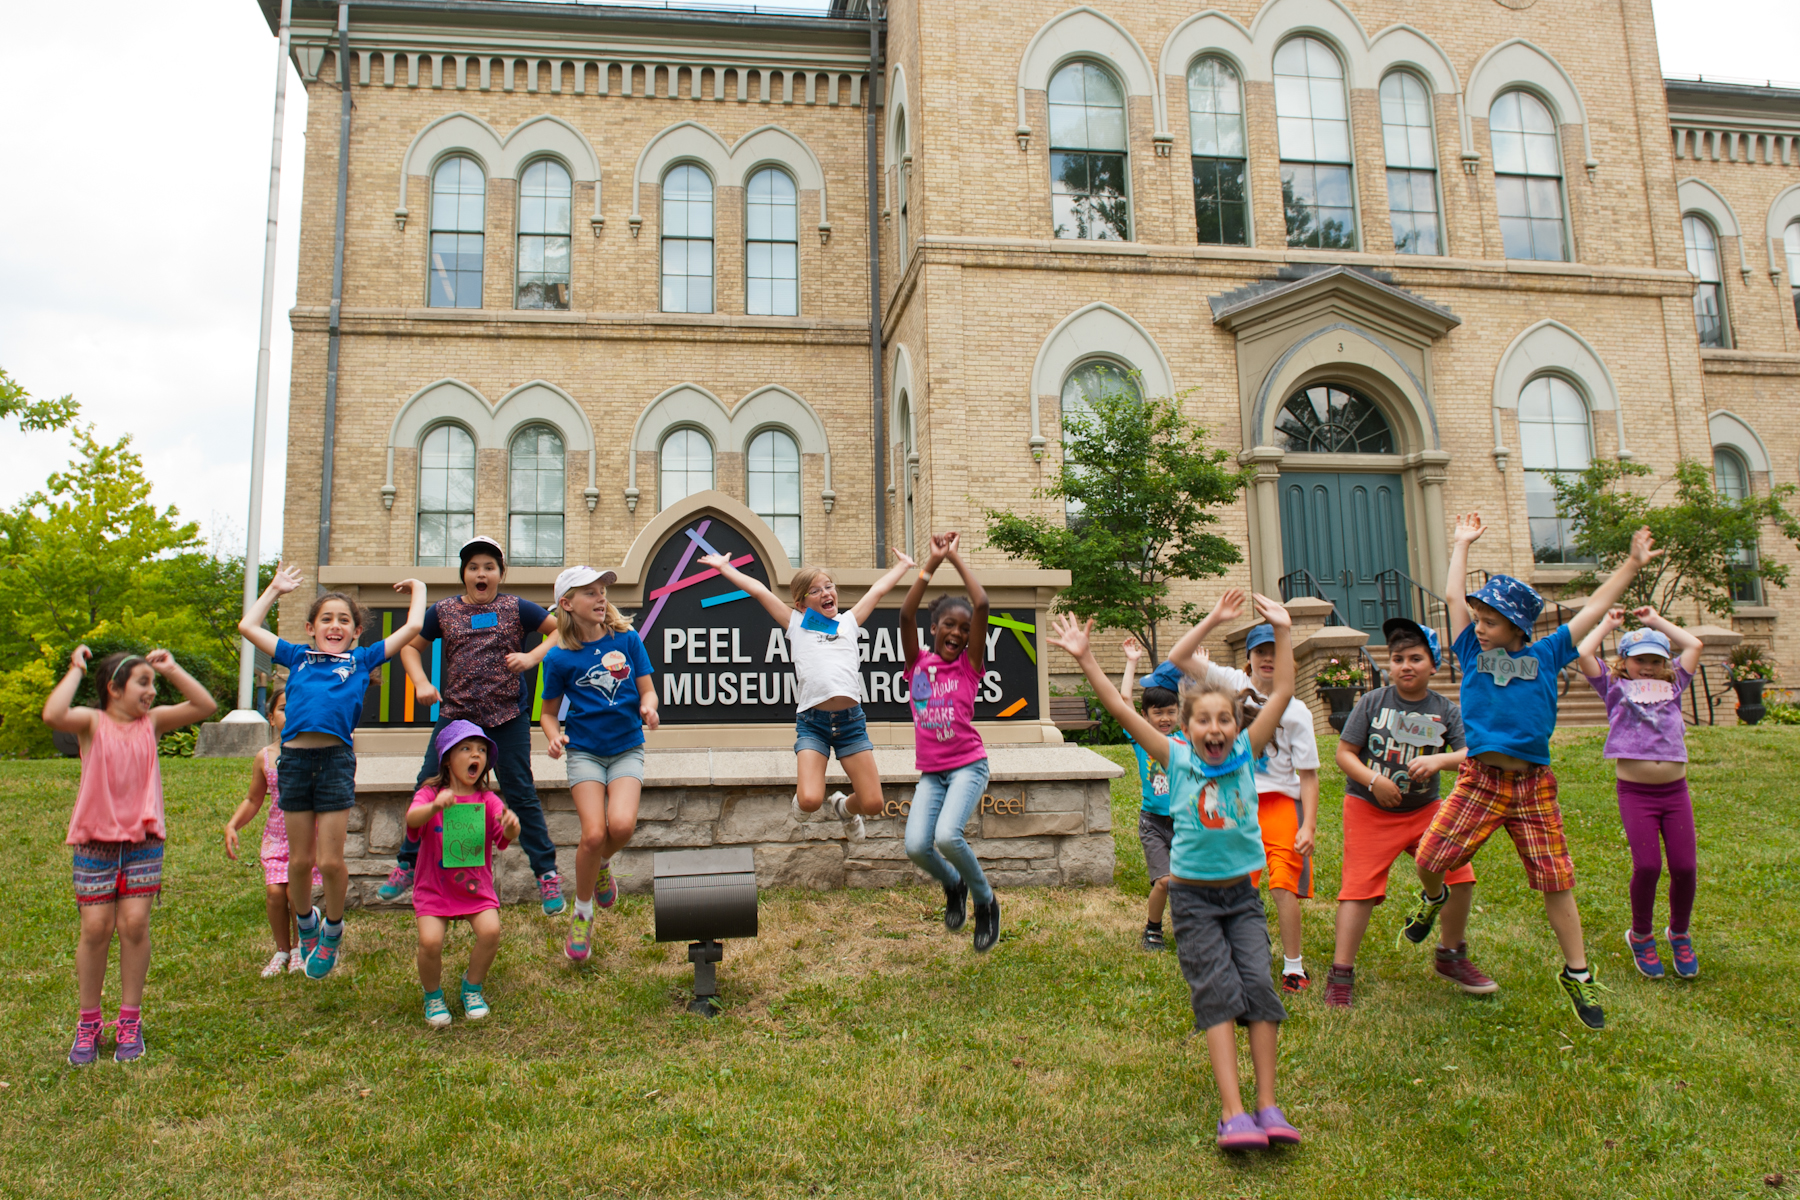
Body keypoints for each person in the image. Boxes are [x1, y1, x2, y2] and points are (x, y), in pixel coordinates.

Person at [1051, 599, 1303, 1152]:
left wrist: (1282, 632)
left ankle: (1268, 1104)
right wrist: (1088, 659)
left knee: (1258, 988)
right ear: (1186, 729)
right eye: (1203, 720)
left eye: (1225, 719)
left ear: (1238, 726)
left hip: (1242, 897)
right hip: (1191, 902)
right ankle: (1233, 1113)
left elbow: (1281, 692)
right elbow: (1119, 706)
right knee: (1216, 992)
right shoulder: (1176, 759)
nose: (1215, 729)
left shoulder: (1245, 755)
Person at [1416, 513, 1661, 1030]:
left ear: (1518, 628)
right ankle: (1433, 900)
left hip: (1531, 786)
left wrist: (1632, 564)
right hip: (1480, 780)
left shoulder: (1549, 652)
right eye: (1478, 620)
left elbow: (1595, 606)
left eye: (1491, 622)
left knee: (1557, 879)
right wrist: (1460, 543)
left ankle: (1577, 972)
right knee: (1430, 857)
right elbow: (1452, 597)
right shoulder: (1469, 650)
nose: (1479, 628)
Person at [238, 564, 428, 980]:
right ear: (310, 627)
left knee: (331, 860)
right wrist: (274, 588)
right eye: (327, 618)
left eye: (344, 619)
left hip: (335, 764)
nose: (335, 624)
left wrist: (419, 587)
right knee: (300, 861)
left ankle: (333, 930)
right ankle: (306, 925)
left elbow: (413, 625)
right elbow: (248, 625)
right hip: (293, 764)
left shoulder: (361, 659)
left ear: (357, 631)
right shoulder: (296, 657)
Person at [42, 645, 217, 1064]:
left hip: (142, 842)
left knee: (135, 924)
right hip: (94, 843)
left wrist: (172, 668)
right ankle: (88, 1024)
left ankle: (130, 1020)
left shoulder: (151, 723)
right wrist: (75, 670)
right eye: (143, 682)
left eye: (153, 684)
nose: (152, 692)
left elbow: (204, 705)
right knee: (96, 929)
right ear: (114, 688)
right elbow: (53, 713)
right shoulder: (92, 722)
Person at [384, 536, 566, 916]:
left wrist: (532, 656)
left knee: (520, 792)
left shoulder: (516, 607)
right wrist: (420, 682)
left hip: (507, 716)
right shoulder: (444, 610)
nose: (481, 573)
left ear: (500, 573)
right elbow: (409, 647)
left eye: (489, 567)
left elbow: (561, 630)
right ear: (464, 574)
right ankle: (407, 863)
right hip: (458, 716)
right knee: (429, 783)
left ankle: (546, 874)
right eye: (473, 567)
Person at [1163, 589, 1322, 992]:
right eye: (1260, 651)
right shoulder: (1230, 682)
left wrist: (1310, 825)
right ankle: (1238, 952)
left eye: (1275, 650)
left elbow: (1308, 775)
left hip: (1279, 802)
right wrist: (1215, 616)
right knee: (1239, 881)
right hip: (1235, 799)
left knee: (1283, 880)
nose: (1268, 658)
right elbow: (1179, 658)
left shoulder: (1297, 711)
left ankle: (1293, 966)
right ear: (1248, 658)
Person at [700, 547, 916, 833]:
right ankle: (805, 800)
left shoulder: (848, 623)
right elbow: (760, 591)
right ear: (801, 603)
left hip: (851, 723)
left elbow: (877, 591)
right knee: (811, 800)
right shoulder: (797, 623)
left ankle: (844, 808)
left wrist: (903, 566)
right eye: (816, 591)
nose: (826, 593)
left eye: (829, 587)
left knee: (873, 803)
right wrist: (725, 568)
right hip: (813, 724)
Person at [1324, 618, 1476, 1009]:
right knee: (1357, 889)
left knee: (1461, 876)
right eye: (1397, 659)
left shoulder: (1446, 711)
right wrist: (1375, 781)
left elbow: (1468, 755)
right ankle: (1341, 973)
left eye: (1415, 658)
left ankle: (1451, 954)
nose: (1405, 665)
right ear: (1389, 665)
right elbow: (1344, 754)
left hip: (1424, 809)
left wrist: (1440, 760)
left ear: (1433, 665)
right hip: (1368, 807)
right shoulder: (1373, 702)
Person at [1576, 606, 1704, 980]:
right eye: (1638, 660)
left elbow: (1694, 644)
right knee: (1648, 866)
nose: (1646, 667)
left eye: (1655, 660)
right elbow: (1584, 653)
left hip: (1675, 792)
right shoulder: (1614, 688)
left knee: (1685, 867)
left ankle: (1679, 933)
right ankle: (1642, 936)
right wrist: (1608, 624)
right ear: (1625, 662)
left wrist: (1654, 623)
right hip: (1636, 794)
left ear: (1665, 664)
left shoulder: (1675, 685)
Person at [538, 566, 657, 962]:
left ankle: (602, 865)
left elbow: (648, 691)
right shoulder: (558, 657)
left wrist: (648, 708)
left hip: (626, 748)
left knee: (621, 826)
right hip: (584, 752)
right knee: (592, 834)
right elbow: (549, 714)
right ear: (567, 604)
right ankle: (583, 914)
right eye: (589, 592)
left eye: (602, 590)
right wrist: (553, 736)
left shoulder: (628, 639)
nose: (600, 597)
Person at [897, 531, 1000, 951]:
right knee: (917, 846)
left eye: (963, 628)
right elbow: (905, 614)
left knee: (946, 837)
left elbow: (982, 605)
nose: (957, 633)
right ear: (934, 628)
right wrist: (930, 564)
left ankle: (985, 901)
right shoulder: (917, 663)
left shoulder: (969, 667)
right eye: (949, 626)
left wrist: (955, 558)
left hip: (967, 766)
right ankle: (953, 885)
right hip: (932, 774)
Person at [406, 720, 521, 1027]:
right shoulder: (431, 793)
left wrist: (512, 826)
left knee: (491, 932)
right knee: (430, 942)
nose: (476, 755)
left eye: (482, 750)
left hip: (475, 888)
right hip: (435, 888)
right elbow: (412, 818)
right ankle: (433, 996)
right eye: (467, 749)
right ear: (446, 757)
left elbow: (504, 832)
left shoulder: (487, 799)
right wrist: (434, 807)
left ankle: (472, 987)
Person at [222, 685, 322, 977]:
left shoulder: (318, 752)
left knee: (295, 894)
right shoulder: (265, 757)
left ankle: (301, 948)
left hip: (307, 839)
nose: (290, 713)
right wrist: (233, 824)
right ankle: (282, 949)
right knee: (274, 894)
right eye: (282, 708)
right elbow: (254, 799)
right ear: (270, 717)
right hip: (277, 838)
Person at [1120, 635, 1179, 952]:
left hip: (1185, 822)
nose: (1165, 718)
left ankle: (1190, 928)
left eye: (1171, 711)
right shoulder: (1142, 738)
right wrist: (1132, 662)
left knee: (1188, 882)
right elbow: (1125, 700)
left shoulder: (1185, 738)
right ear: (1146, 717)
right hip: (1153, 823)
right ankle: (1153, 929)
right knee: (1166, 881)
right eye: (1158, 713)